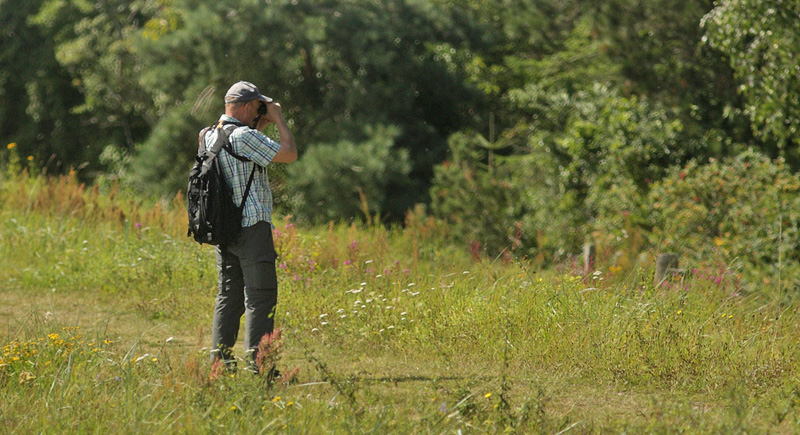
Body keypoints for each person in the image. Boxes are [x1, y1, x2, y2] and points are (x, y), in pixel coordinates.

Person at [202, 80, 297, 374]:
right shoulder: (244, 136)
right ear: (246, 107)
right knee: (261, 296)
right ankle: (261, 367)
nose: (262, 110)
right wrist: (278, 118)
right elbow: (289, 153)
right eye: (258, 106)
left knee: (228, 295)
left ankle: (221, 363)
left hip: (223, 229)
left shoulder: (207, 135)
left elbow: (240, 153)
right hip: (252, 227)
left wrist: (259, 122)